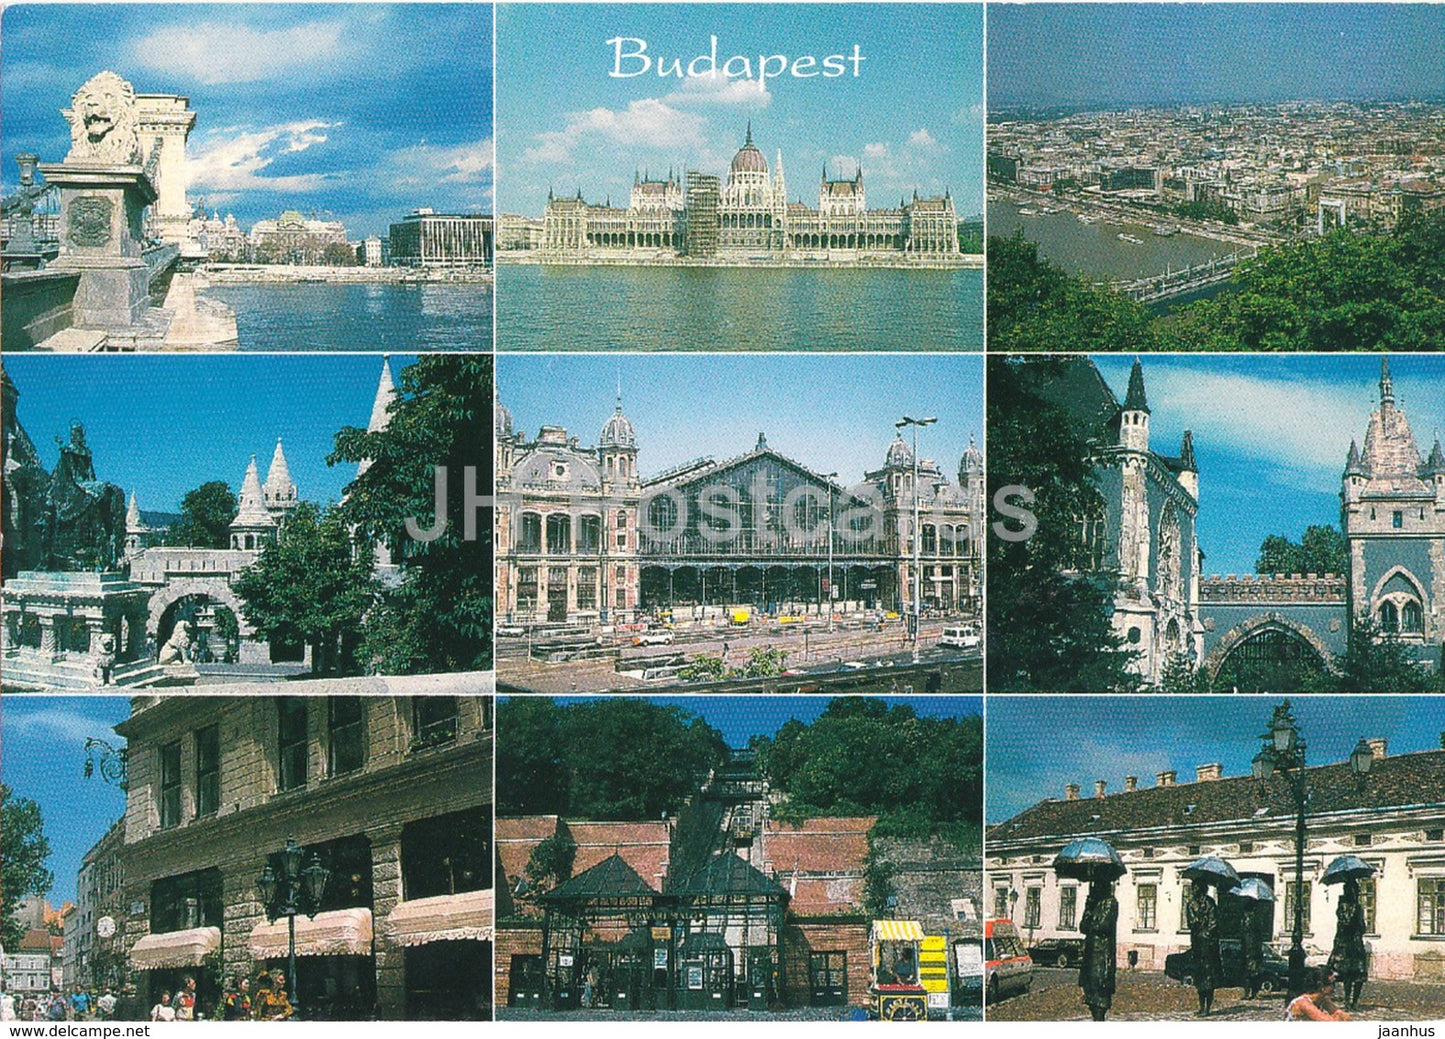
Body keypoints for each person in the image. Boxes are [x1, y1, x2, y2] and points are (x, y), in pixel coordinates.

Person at [1079, 878, 1119, 1021]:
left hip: (1102, 955)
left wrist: (1091, 922)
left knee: (1100, 996)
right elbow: (1083, 927)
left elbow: (1102, 926)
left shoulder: (1110, 903)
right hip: (1090, 955)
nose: (1095, 887)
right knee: (1091, 995)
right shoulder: (1093, 904)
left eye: (1098, 884)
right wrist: (1088, 907)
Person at [1327, 878, 1368, 1009]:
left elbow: (1362, 927)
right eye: (1355, 890)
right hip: (1346, 945)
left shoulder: (1355, 907)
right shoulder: (1345, 907)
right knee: (1348, 974)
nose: (1356, 893)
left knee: (1358, 974)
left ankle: (1353, 1001)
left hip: (1353, 944)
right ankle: (1347, 1000)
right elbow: (1346, 923)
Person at [1186, 880, 1223, 1017]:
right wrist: (1197, 922)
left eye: (1196, 887)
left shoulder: (1210, 903)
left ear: (1202, 888)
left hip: (1209, 945)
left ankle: (1208, 1007)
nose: (1193, 889)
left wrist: (1205, 933)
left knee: (1209, 977)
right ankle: (1201, 1006)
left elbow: (1214, 923)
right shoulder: (1191, 904)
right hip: (1197, 945)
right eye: (1192, 887)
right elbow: (1191, 922)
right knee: (1200, 977)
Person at [1286, 967, 1351, 1021]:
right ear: (1321, 986)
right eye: (1331, 984)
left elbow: (1346, 1017)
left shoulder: (1322, 1000)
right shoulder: (1303, 1003)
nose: (1334, 988)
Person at [1240, 899, 1266, 999]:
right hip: (1249, 949)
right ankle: (1250, 993)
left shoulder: (1252, 919)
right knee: (1250, 973)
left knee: (1252, 973)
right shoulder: (1249, 919)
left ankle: (1251, 993)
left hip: (1251, 949)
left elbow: (1256, 935)